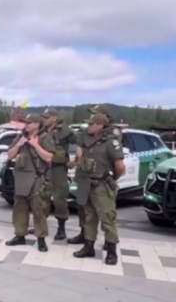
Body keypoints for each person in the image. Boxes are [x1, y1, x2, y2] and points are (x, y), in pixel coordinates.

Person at [72, 114, 123, 265]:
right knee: (89, 217)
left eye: (91, 124)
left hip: (102, 185)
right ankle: (89, 246)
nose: (88, 126)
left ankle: (112, 251)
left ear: (100, 125)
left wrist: (111, 179)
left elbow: (119, 166)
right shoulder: (87, 140)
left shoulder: (110, 142)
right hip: (87, 184)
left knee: (107, 218)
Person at [4, 114, 55, 252]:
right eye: (25, 122)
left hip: (37, 178)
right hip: (21, 177)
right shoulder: (20, 137)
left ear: (37, 125)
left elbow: (49, 157)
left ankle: (41, 239)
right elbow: (9, 155)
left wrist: (35, 145)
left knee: (39, 209)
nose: (26, 125)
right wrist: (20, 144)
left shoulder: (45, 138)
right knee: (20, 208)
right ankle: (20, 234)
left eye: (29, 123)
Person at [41, 109, 78, 241]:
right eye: (43, 117)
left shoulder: (65, 131)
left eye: (47, 117)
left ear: (55, 118)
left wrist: (76, 161)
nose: (44, 119)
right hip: (44, 167)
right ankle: (41, 226)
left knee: (59, 198)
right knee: (41, 196)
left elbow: (80, 143)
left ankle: (61, 229)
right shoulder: (42, 130)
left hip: (58, 168)